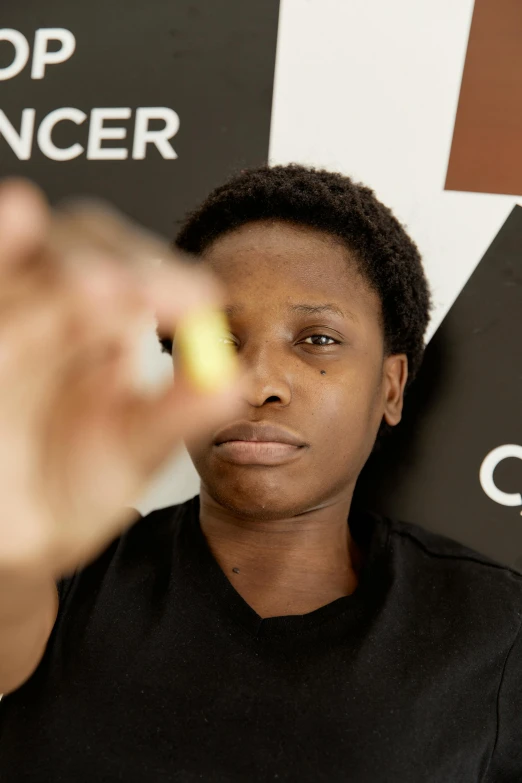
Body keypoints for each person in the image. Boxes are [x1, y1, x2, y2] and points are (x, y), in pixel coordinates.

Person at [0, 164, 520, 782]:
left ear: (391, 386)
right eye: (218, 338)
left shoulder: (496, 633)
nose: (259, 383)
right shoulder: (59, 574)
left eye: (317, 339)